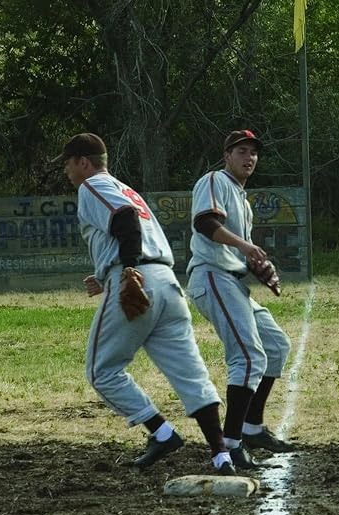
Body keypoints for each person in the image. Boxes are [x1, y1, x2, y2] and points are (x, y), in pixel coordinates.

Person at [59, 132, 234, 474]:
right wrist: (107, 271)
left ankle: (162, 432)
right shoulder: (126, 187)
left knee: (101, 370)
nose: (66, 171)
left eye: (67, 163)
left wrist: (126, 270)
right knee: (190, 372)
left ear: (83, 162)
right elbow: (127, 227)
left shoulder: (92, 185)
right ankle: (221, 454)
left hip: (139, 280)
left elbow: (124, 220)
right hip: (168, 285)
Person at [185, 129, 295, 475]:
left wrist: (260, 269)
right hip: (212, 276)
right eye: (242, 151)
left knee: (276, 346)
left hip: (232, 280)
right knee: (248, 357)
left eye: (254, 153)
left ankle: (252, 428)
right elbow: (205, 223)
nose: (249, 158)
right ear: (227, 156)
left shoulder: (242, 199)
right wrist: (247, 248)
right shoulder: (215, 180)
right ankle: (231, 445)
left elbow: (238, 251)